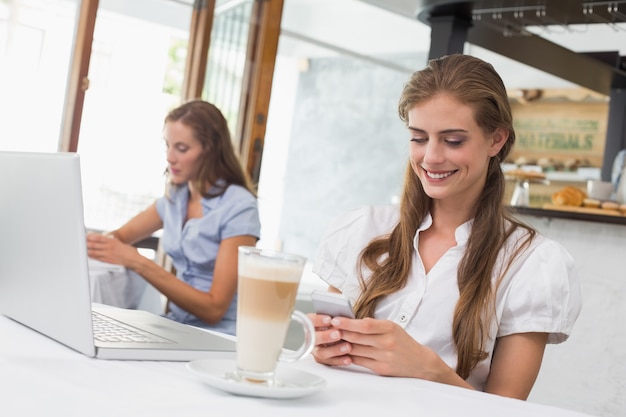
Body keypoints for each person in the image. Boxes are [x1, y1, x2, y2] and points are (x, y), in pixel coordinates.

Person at [309, 54, 582, 400]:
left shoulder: (532, 264)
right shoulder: (363, 230)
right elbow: (328, 354)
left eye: (453, 140)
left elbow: (507, 409)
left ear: (496, 140)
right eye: (419, 138)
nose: (431, 157)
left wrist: (428, 368)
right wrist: (325, 350)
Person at [86, 100, 261, 336]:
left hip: (221, 335)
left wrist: (137, 261)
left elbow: (214, 308)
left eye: (181, 148)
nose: (170, 157)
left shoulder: (239, 207)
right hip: (176, 326)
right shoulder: (175, 198)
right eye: (167, 146)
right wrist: (100, 244)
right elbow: (119, 236)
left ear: (210, 150)